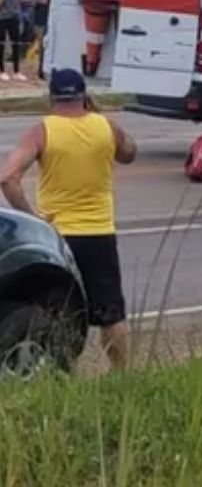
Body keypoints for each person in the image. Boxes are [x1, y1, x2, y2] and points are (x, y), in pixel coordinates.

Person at [0, 69, 138, 369]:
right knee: (111, 313)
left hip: (57, 237)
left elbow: (8, 178)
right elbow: (129, 152)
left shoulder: (42, 131)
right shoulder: (105, 126)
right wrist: (98, 119)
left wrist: (33, 219)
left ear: (51, 97)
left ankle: (62, 372)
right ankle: (123, 374)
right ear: (83, 95)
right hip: (99, 233)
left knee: (57, 311)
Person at [0, 0, 23, 82]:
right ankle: (2, 71)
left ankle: (16, 71)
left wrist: (19, 15)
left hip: (14, 18)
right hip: (2, 19)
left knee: (16, 44)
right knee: (1, 45)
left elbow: (17, 3)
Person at [30, 0, 50, 81]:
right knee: (41, 40)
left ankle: (46, 66)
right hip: (39, 10)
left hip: (49, 10)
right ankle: (40, 68)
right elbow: (33, 1)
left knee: (48, 41)